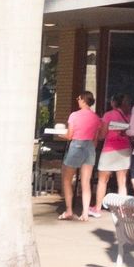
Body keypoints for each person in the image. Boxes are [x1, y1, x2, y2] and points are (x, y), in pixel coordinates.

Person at [58, 91, 101, 220]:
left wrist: (61, 134)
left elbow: (70, 135)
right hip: (89, 147)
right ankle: (85, 213)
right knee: (86, 182)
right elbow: (96, 139)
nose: (77, 100)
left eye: (78, 98)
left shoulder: (74, 115)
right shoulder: (96, 117)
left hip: (76, 145)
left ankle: (69, 210)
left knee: (67, 179)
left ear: (83, 100)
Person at [93, 94, 133, 215]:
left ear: (114, 103)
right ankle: (122, 210)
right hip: (125, 150)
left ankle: (98, 208)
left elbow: (103, 134)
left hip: (109, 150)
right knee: (122, 182)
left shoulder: (108, 115)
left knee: (102, 180)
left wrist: (97, 134)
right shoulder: (129, 116)